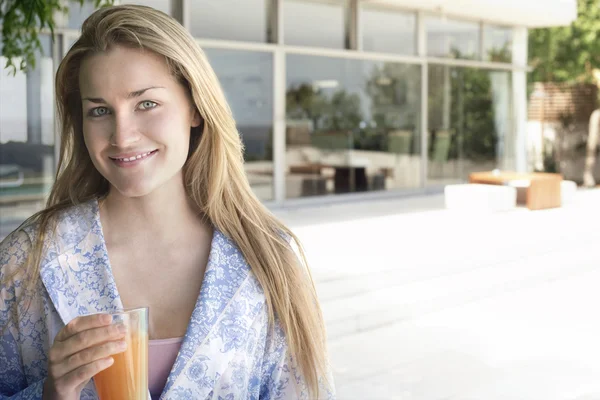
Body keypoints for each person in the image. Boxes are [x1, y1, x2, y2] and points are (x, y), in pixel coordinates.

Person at [0, 4, 334, 400]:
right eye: (100, 110)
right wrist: (50, 394)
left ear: (194, 107)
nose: (122, 136)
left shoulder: (269, 259)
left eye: (146, 104)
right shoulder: (26, 260)